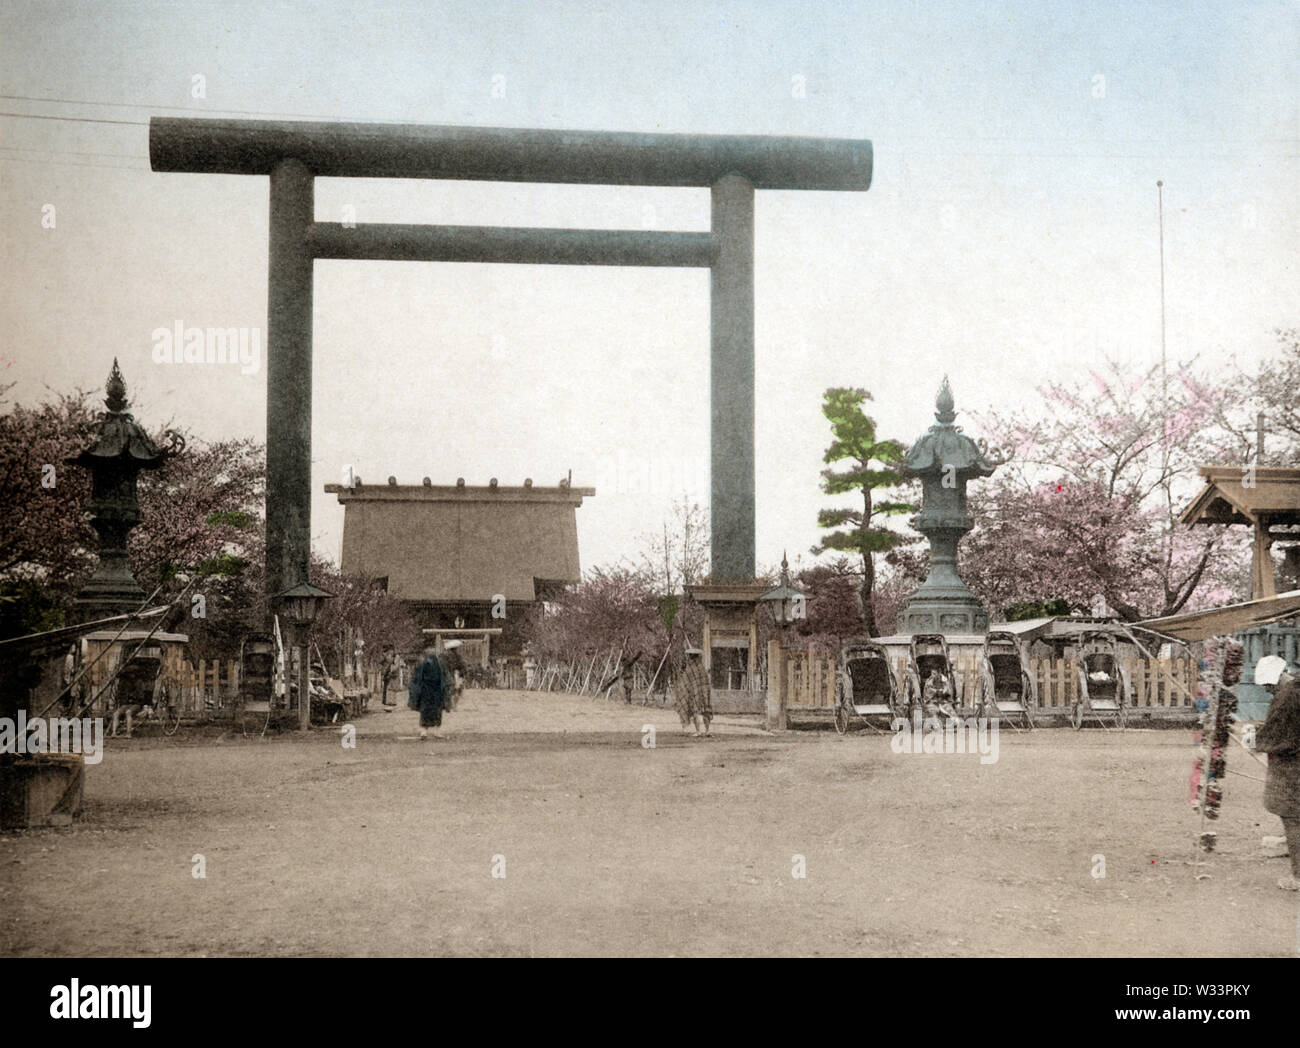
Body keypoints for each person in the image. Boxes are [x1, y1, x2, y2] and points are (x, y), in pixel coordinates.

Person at [1253, 655, 1300, 891]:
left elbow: (1281, 734)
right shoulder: (1293, 689)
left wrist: (1257, 741)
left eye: (1269, 686)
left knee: (1292, 819)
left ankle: (1298, 877)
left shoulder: (1287, 696)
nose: (1268, 691)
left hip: (1293, 767)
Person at [408, 645, 447, 740]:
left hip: (436, 690)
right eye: (431, 649)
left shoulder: (439, 662)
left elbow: (443, 675)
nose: (433, 651)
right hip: (427, 690)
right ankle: (424, 730)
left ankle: (435, 730)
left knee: (436, 711)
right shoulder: (423, 663)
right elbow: (417, 677)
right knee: (426, 711)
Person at [673, 647, 712, 737]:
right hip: (704, 693)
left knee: (696, 711)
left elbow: (684, 682)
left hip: (694, 693)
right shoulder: (702, 668)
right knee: (705, 710)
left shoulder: (689, 668)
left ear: (690, 657)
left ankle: (698, 731)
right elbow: (705, 682)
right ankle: (707, 730)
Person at [443, 641, 467, 710]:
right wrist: (462, 673)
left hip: (448, 675)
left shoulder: (445, 657)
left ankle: (449, 704)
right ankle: (455, 705)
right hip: (457, 675)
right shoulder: (459, 657)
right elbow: (463, 666)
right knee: (457, 690)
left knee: (448, 690)